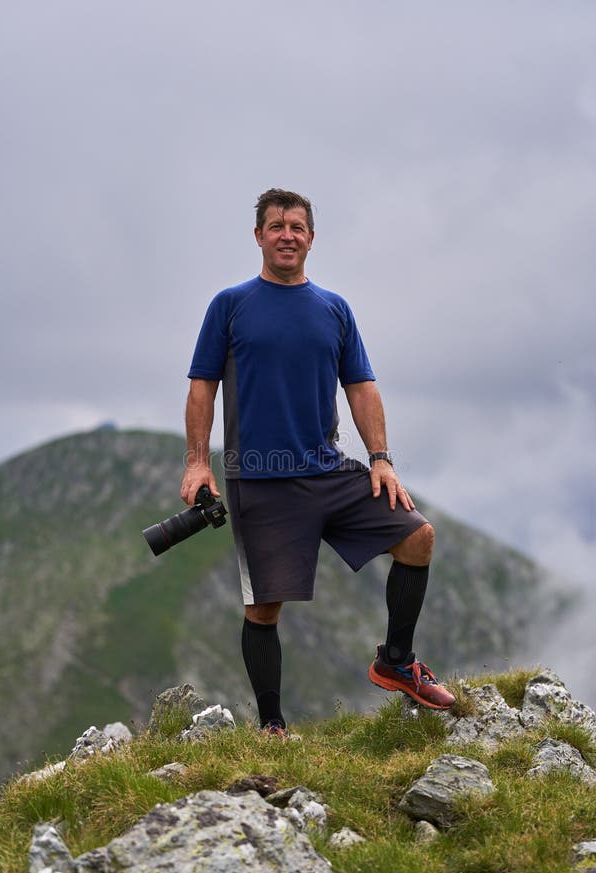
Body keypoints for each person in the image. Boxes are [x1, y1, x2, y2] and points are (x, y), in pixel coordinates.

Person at [181, 188, 455, 737]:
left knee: (417, 537)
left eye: (298, 227)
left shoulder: (334, 309)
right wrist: (196, 463)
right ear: (258, 236)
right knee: (264, 611)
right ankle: (273, 728)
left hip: (330, 470)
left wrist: (380, 459)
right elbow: (202, 386)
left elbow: (362, 386)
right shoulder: (230, 305)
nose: (288, 235)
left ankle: (396, 662)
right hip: (259, 478)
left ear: (311, 238)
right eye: (277, 225)